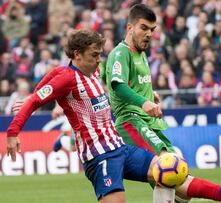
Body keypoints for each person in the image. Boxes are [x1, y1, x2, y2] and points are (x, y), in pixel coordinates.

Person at [105, 4, 221, 203]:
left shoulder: (141, 54)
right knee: (167, 168)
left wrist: (148, 93)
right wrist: (143, 101)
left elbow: (117, 80)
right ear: (129, 28)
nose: (148, 34)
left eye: (152, 30)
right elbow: (117, 85)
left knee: (175, 176)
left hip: (147, 122)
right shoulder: (121, 53)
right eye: (143, 28)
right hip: (131, 122)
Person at [6, 29, 183, 203]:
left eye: (100, 54)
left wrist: (147, 96)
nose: (99, 60)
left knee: (165, 172)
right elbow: (39, 97)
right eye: (94, 55)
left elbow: (52, 73)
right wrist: (14, 132)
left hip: (120, 147)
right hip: (100, 157)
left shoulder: (93, 72)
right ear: (77, 55)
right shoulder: (67, 79)